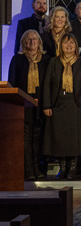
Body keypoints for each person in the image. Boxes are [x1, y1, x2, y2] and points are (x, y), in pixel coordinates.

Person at [42, 33, 81, 180]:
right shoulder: (54, 62)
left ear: (76, 46)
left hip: (76, 105)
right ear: (61, 46)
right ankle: (63, 168)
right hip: (58, 105)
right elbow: (47, 84)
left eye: (71, 43)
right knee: (60, 138)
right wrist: (47, 105)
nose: (69, 45)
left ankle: (73, 169)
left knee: (75, 138)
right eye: (65, 43)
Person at [9, 30, 51, 180]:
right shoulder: (17, 59)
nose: (32, 42)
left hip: (40, 104)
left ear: (39, 42)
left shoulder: (46, 60)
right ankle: (28, 169)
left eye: (34, 39)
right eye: (28, 39)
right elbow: (12, 84)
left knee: (38, 136)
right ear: (23, 43)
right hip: (24, 104)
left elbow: (49, 83)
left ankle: (37, 167)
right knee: (26, 137)